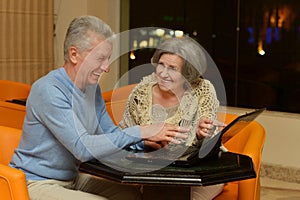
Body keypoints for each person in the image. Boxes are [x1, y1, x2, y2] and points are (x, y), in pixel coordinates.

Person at [9, 15, 189, 200]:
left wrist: (145, 141)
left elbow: (109, 133)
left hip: (72, 177)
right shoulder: (49, 90)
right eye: (100, 58)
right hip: (36, 183)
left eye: (107, 59)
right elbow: (82, 147)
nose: (106, 67)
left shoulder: (91, 89)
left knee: (131, 195)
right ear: (74, 54)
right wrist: (140, 131)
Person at [118, 36, 226, 199]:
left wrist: (201, 133)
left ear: (188, 74)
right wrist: (144, 140)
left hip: (199, 171)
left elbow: (207, 141)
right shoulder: (140, 94)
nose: (163, 73)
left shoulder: (203, 90)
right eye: (161, 65)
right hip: (152, 171)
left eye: (173, 68)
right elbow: (122, 135)